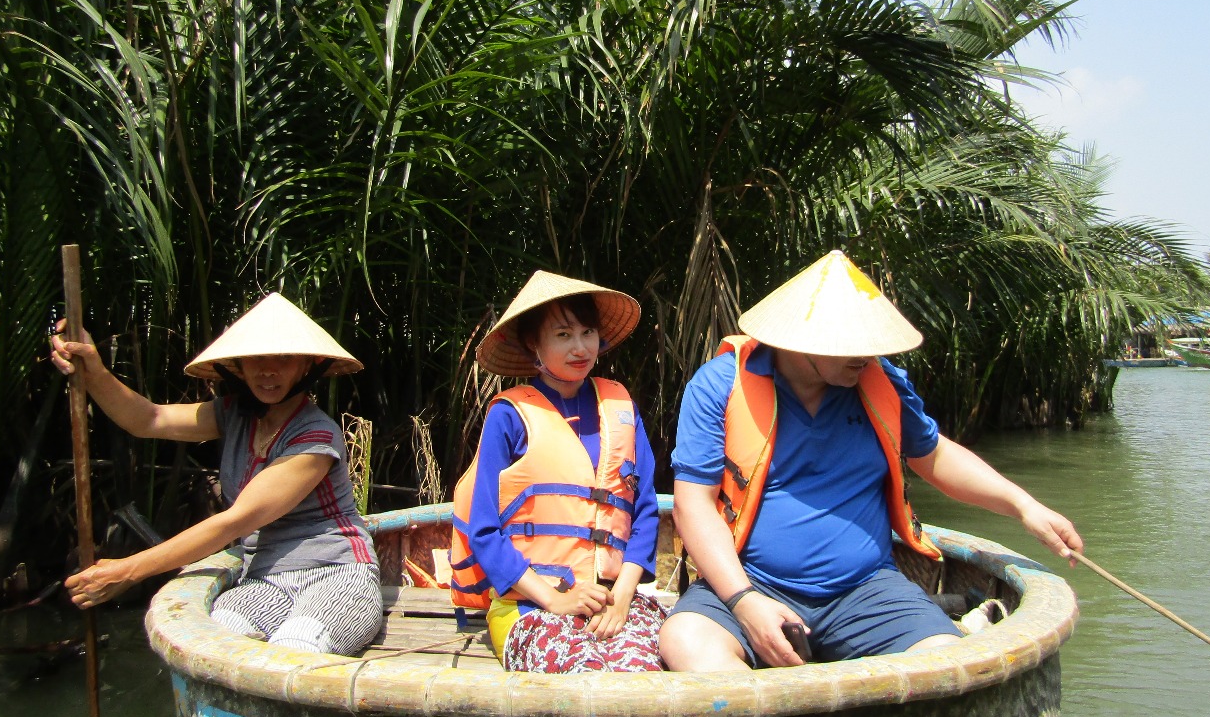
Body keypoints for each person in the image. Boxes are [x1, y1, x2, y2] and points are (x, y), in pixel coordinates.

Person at [659, 250, 1083, 672]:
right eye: (851, 344)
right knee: (686, 642)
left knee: (946, 661)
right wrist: (744, 601)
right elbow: (692, 503)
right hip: (751, 582)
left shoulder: (883, 385)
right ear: (801, 339)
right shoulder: (719, 386)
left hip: (867, 591)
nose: (865, 355)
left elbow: (933, 455)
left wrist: (1023, 505)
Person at [51, 293, 384, 656]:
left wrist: (128, 571)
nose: (268, 369)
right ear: (238, 366)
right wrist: (94, 370)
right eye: (256, 359)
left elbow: (235, 522)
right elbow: (148, 419)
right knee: (217, 643)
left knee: (296, 646)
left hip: (336, 572)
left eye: (283, 358)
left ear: (307, 365)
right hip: (264, 578)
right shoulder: (233, 414)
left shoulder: (316, 436)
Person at [448, 271, 665, 672]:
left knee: (644, 671)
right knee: (584, 672)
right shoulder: (508, 416)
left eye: (587, 332)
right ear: (534, 344)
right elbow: (483, 531)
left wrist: (621, 596)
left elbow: (645, 513)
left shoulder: (621, 408)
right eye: (563, 335)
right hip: (531, 604)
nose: (581, 347)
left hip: (614, 599)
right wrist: (556, 601)